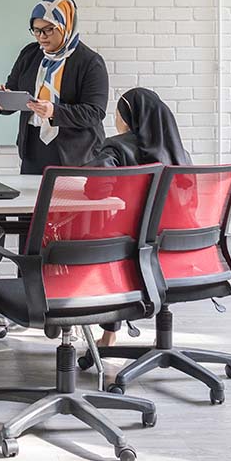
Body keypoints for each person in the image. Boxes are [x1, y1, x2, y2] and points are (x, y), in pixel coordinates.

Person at [94, 86, 193, 349]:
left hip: (131, 245)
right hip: (179, 250)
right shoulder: (181, 155)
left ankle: (109, 334)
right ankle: (154, 340)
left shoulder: (116, 147)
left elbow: (94, 188)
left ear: (128, 117)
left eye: (117, 113)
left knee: (107, 244)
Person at [0, 0, 111, 174]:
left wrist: (54, 111)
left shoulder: (90, 62)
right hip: (33, 147)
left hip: (77, 152)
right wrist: (4, 102)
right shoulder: (29, 54)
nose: (41, 36)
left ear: (66, 26)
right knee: (34, 201)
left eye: (48, 29)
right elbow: (15, 89)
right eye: (36, 30)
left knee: (68, 202)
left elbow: (95, 113)